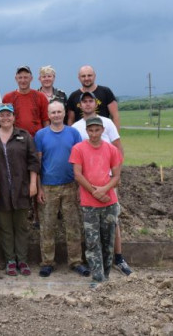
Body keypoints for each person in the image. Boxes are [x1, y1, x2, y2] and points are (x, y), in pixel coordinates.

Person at [72, 91, 131, 276]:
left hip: (108, 185)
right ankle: (95, 266)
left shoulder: (108, 123)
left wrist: (113, 182)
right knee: (91, 229)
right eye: (84, 101)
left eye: (91, 101)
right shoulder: (76, 128)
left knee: (112, 226)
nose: (87, 104)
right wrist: (92, 190)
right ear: (80, 105)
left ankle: (117, 259)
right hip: (87, 187)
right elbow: (77, 169)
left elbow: (118, 150)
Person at [69, 116, 123, 287]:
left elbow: (116, 176)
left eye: (97, 130)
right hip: (89, 203)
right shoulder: (78, 149)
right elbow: (78, 174)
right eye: (90, 131)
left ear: (102, 130)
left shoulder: (111, 150)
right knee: (92, 242)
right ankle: (97, 277)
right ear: (86, 131)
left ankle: (105, 276)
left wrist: (104, 190)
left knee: (108, 241)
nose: (94, 134)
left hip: (109, 202)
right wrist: (95, 192)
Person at [0, 104, 40, 277]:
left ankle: (22, 260)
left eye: (8, 115)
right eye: (2, 115)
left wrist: (33, 184)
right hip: (1, 189)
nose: (5, 118)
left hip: (21, 189)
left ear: (13, 117)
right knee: (5, 228)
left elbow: (33, 161)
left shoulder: (24, 136)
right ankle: (10, 260)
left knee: (21, 227)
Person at [34, 101, 85, 278]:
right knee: (47, 227)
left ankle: (76, 261)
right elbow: (38, 163)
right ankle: (47, 262)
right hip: (48, 187)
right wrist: (39, 188)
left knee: (73, 225)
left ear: (64, 113)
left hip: (70, 185)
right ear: (48, 115)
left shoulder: (73, 133)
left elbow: (79, 161)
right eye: (53, 112)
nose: (56, 115)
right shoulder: (41, 135)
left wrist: (79, 186)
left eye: (59, 112)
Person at [2, 65, 49, 137]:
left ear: (31, 78)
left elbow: (46, 120)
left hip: (36, 138)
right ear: (16, 79)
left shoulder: (41, 97)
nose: (23, 81)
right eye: (20, 78)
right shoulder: (7, 98)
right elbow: (3, 120)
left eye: (26, 77)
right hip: (15, 139)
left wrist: (46, 137)